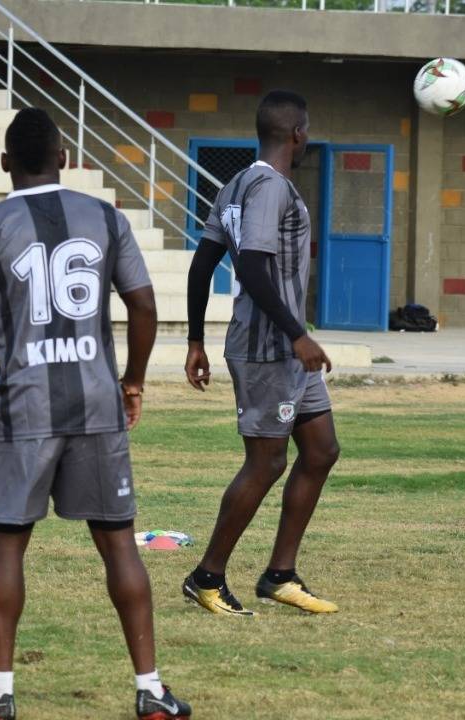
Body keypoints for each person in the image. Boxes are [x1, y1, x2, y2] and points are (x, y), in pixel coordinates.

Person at [0, 108, 192, 720]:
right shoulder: (106, 217)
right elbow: (143, 305)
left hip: (22, 410)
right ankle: (151, 689)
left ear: (7, 164)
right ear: (64, 158)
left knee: (7, 548)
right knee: (119, 544)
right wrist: (133, 380)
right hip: (96, 403)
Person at [181, 90, 341, 616]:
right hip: (270, 347)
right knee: (267, 460)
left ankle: (280, 574)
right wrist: (298, 333)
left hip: (286, 350)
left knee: (320, 451)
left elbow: (202, 265)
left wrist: (196, 340)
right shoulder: (270, 187)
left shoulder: (235, 184)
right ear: (298, 133)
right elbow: (249, 266)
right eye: (309, 128)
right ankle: (206, 577)